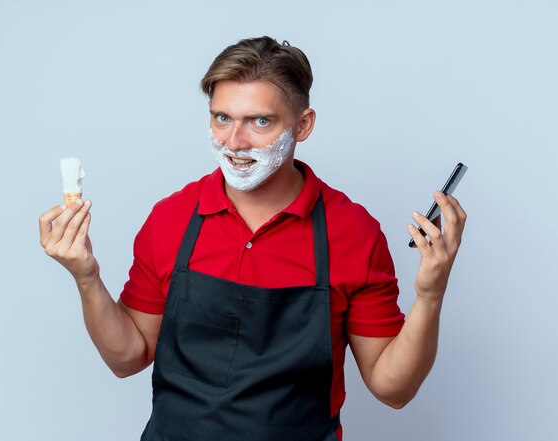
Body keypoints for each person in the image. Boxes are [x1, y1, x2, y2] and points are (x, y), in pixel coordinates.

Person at [38, 36, 467, 441]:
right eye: (222, 118)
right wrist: (87, 277)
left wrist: (430, 295)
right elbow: (126, 358)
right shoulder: (172, 218)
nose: (235, 142)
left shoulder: (352, 231)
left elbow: (393, 389)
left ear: (303, 125)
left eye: (260, 121)